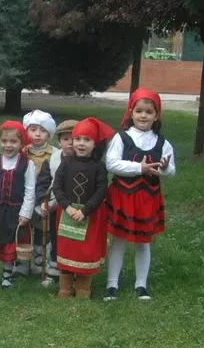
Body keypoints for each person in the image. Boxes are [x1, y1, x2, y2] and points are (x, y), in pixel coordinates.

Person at [104, 88, 175, 301]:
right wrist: (139, 168)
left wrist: (164, 169)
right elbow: (111, 163)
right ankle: (112, 284)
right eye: (139, 111)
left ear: (156, 116)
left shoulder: (162, 143)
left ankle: (141, 285)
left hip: (147, 199)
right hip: (123, 196)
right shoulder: (122, 138)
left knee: (144, 242)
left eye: (149, 112)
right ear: (131, 112)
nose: (143, 116)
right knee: (119, 240)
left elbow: (171, 170)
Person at [52, 117, 114, 299]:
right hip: (68, 213)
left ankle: (83, 288)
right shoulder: (66, 163)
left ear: (95, 144)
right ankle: (65, 288)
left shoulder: (99, 167)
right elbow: (57, 186)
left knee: (85, 251)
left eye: (87, 140)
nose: (80, 143)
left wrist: (85, 210)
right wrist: (67, 207)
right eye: (77, 139)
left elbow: (101, 191)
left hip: (90, 215)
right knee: (67, 249)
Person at [0, 121, 36, 289]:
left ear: (21, 143)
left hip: (14, 211)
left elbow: (30, 190)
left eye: (13, 142)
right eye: (4, 141)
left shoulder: (27, 164)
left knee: (10, 242)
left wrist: (25, 213)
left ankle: (7, 275)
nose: (8, 145)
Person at [23, 109, 60, 283]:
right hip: (24, 196)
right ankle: (21, 261)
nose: (37, 134)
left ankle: (40, 261)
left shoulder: (55, 154)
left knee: (42, 230)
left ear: (49, 134)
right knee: (24, 230)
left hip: (44, 197)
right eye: (33, 130)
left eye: (43, 131)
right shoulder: (22, 151)